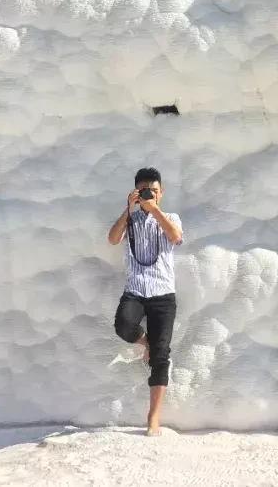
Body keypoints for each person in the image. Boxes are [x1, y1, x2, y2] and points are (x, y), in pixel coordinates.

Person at [107, 166, 184, 436]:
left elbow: (175, 237)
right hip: (136, 290)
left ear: (161, 193)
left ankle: (153, 418)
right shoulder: (130, 219)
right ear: (135, 193)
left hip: (163, 293)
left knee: (161, 357)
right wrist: (128, 210)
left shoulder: (170, 217)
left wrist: (154, 211)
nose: (148, 194)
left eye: (153, 190)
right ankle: (146, 342)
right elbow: (113, 239)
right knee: (123, 325)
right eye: (143, 190)